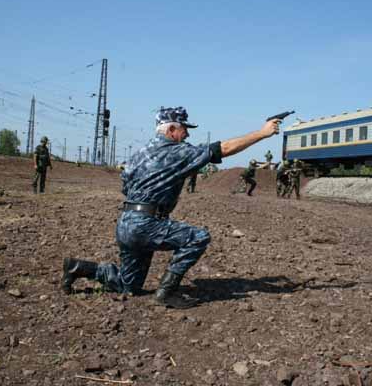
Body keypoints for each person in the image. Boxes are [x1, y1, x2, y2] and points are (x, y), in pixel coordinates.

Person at [62, 106, 281, 309]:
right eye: (184, 128)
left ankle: (78, 268)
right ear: (172, 129)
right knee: (198, 237)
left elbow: (125, 187)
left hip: (126, 223)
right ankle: (166, 293)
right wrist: (262, 133)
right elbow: (223, 148)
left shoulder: (139, 154)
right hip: (146, 225)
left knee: (128, 285)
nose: (187, 134)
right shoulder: (178, 152)